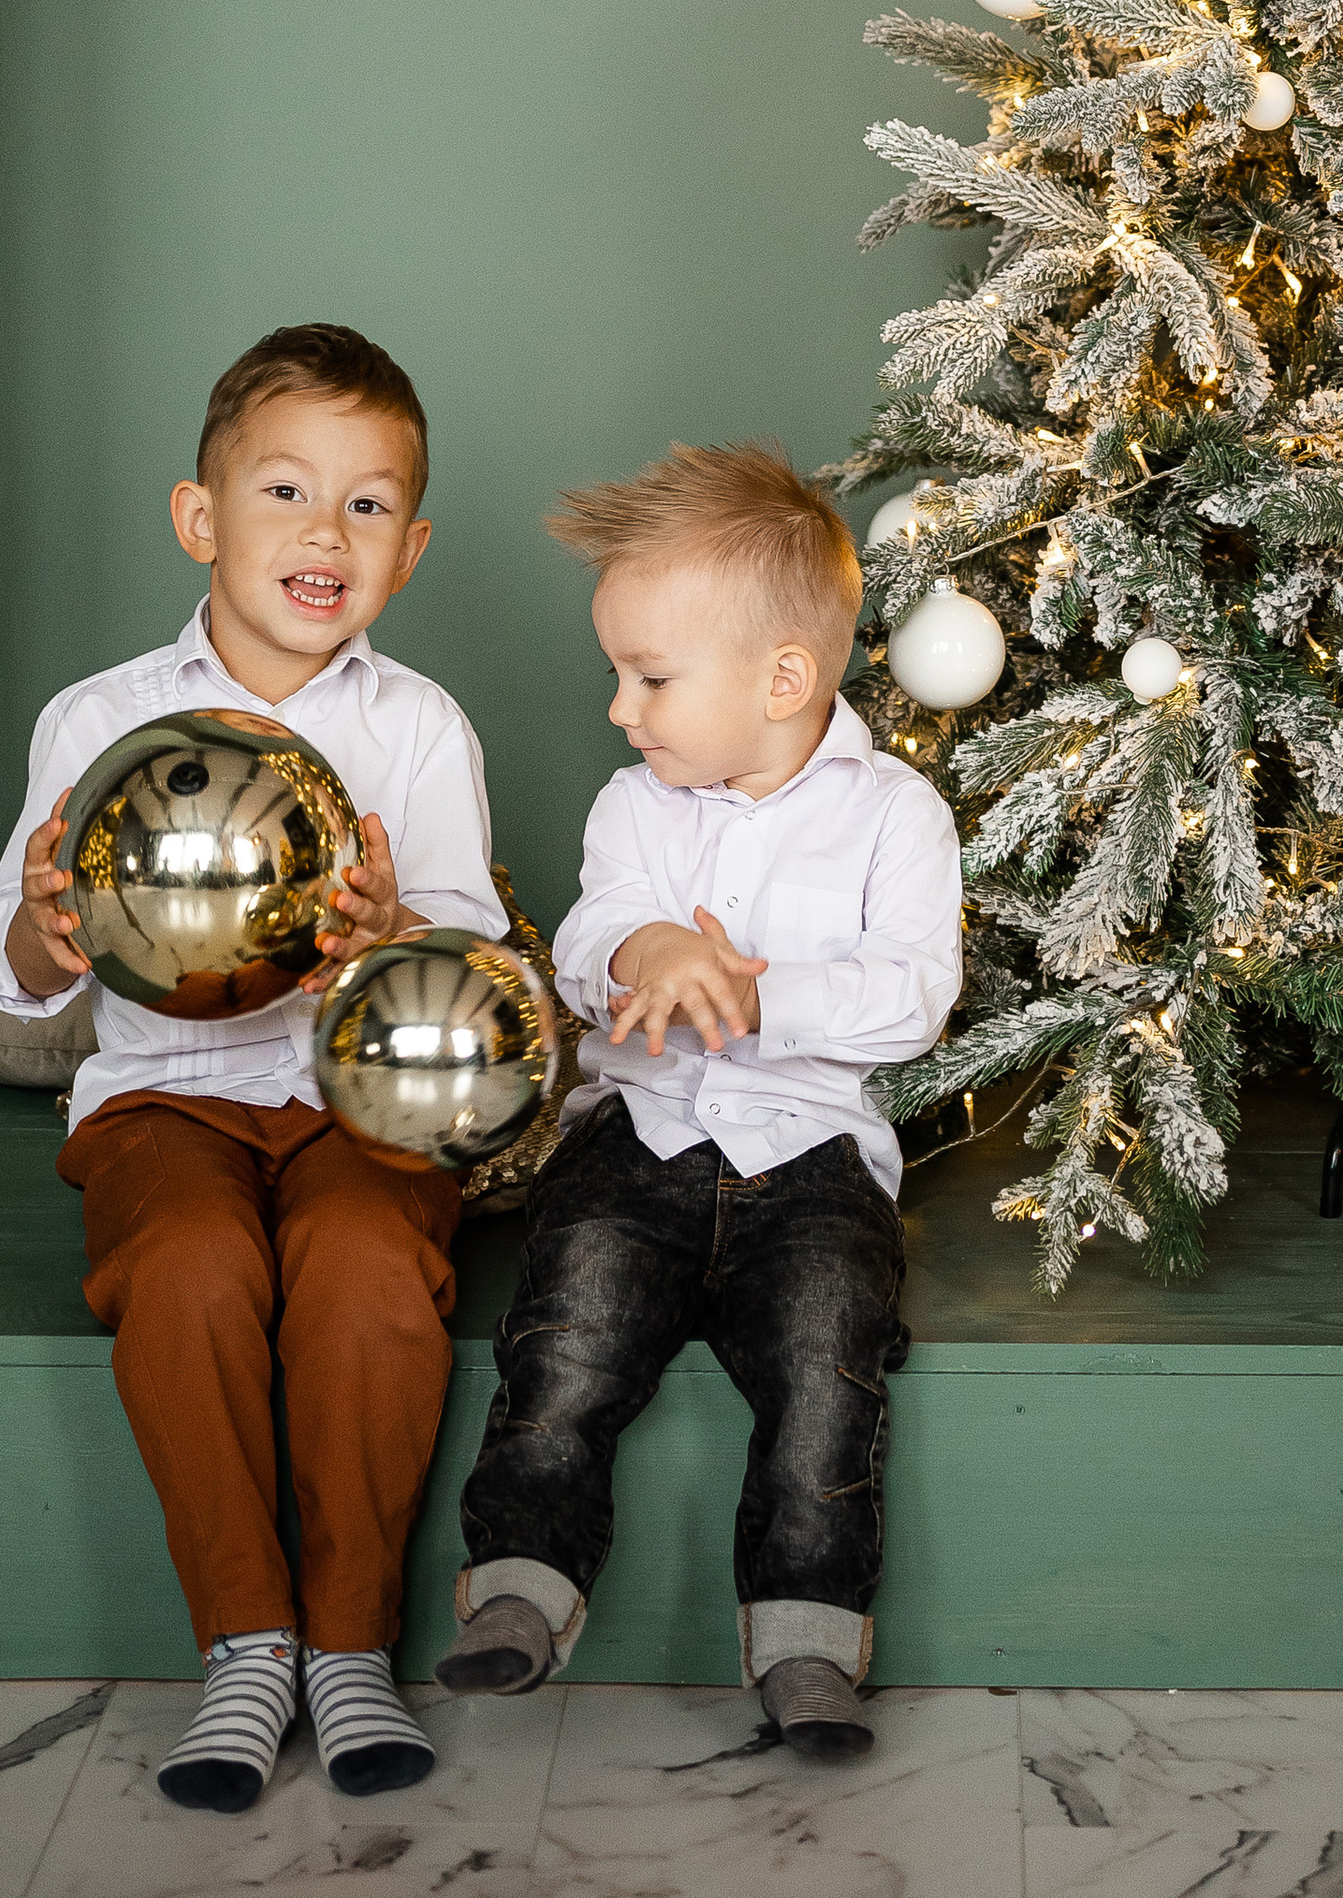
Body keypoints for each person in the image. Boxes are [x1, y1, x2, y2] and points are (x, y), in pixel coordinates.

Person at [0, 322, 504, 1816]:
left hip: (351, 1104)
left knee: (365, 1270)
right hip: (160, 1096)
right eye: (284, 491)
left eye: (370, 504)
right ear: (201, 518)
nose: (326, 531)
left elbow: (474, 962)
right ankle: (247, 1641)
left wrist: (394, 931)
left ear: (411, 546)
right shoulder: (99, 716)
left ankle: (349, 1643)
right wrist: (45, 927)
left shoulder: (418, 729)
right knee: (192, 1267)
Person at [440, 442, 961, 1758]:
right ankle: (521, 1581)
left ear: (783, 675)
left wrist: (751, 992)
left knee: (828, 1366)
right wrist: (644, 952)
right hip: (645, 1131)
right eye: (620, 672)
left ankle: (805, 1633)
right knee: (568, 1331)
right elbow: (593, 929)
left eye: (650, 676)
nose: (622, 707)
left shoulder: (897, 815)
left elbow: (909, 993)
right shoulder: (639, 806)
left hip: (816, 1154)